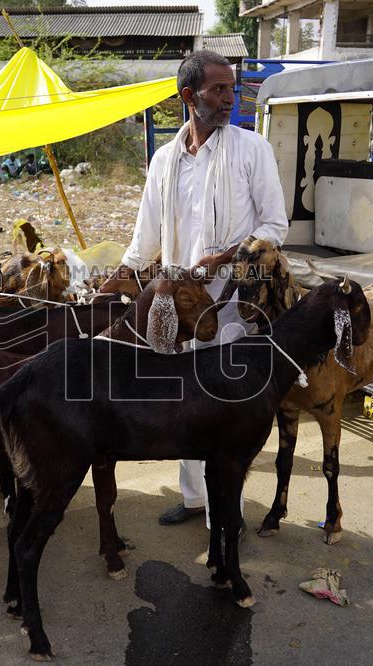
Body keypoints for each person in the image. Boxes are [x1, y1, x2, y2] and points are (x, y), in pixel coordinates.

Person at [100, 50, 288, 527]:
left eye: (232, 88)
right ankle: (194, 500)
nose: (231, 99)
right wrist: (115, 280)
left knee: (224, 411)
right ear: (189, 96)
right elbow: (146, 237)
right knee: (182, 404)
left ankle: (227, 517)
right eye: (218, 90)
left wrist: (224, 258)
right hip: (179, 305)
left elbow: (274, 225)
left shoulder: (251, 149)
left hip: (231, 305)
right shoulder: (164, 160)